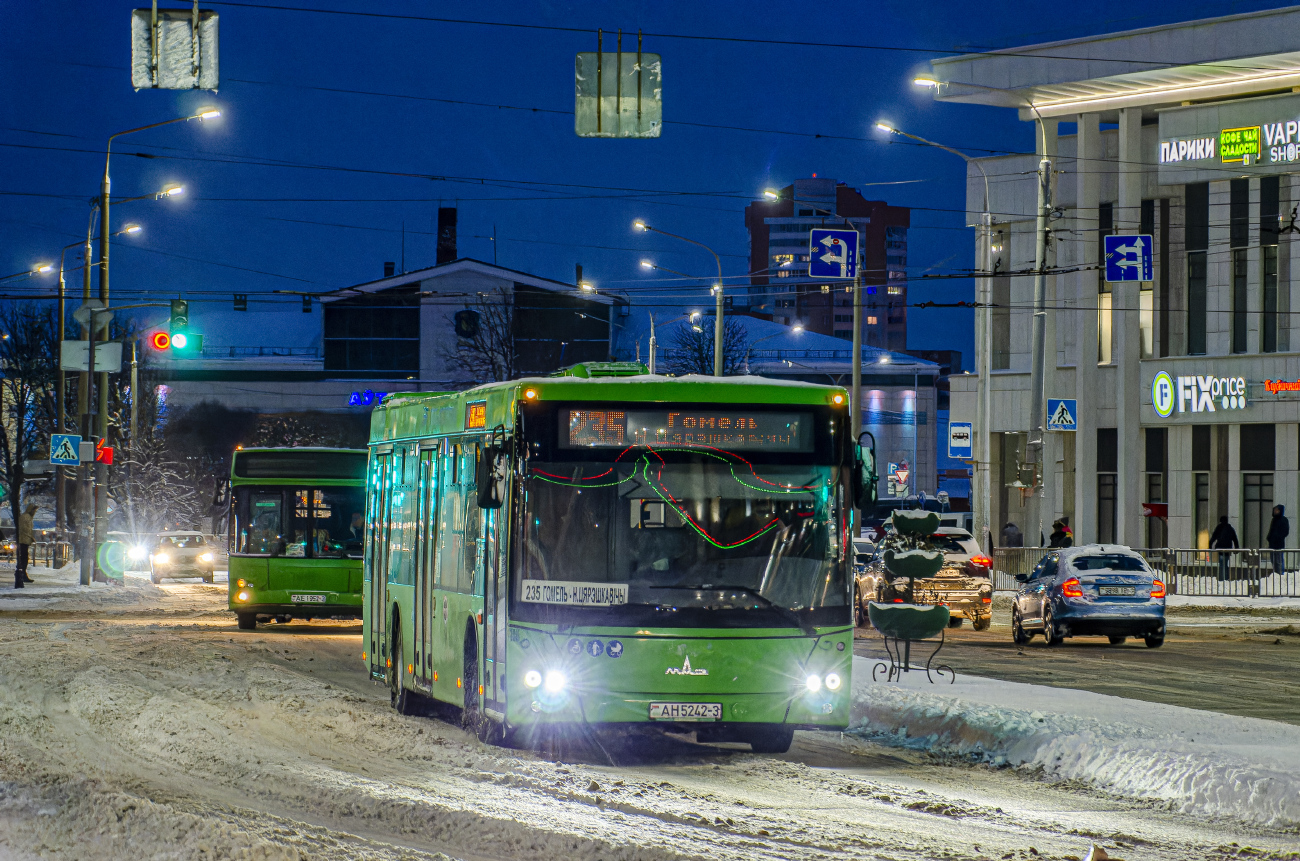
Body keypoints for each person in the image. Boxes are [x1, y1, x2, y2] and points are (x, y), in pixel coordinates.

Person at [1208, 515, 1239, 581]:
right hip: (1228, 548)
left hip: (1221, 548)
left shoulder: (1219, 527)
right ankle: (1226, 577)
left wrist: (1210, 546)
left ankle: (1222, 578)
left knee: (1222, 564)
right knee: (1225, 563)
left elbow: (1214, 537)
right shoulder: (1230, 528)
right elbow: (1235, 539)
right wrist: (1236, 548)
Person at [15, 503, 37, 588]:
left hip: (24, 540)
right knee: (24, 558)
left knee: (24, 558)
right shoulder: (26, 517)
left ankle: (23, 574)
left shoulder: (27, 517)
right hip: (24, 540)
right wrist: (30, 537)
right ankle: (22, 574)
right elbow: (25, 530)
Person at [1267, 505, 1289, 577]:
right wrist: (1269, 538)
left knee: (1279, 561)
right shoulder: (1273, 520)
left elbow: (1286, 531)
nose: (1276, 512)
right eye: (1275, 510)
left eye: (1277, 510)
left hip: (1279, 544)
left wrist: (1279, 537)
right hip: (1272, 544)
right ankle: (1275, 574)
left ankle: (1280, 575)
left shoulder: (1284, 520)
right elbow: (1271, 530)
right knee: (1273, 560)